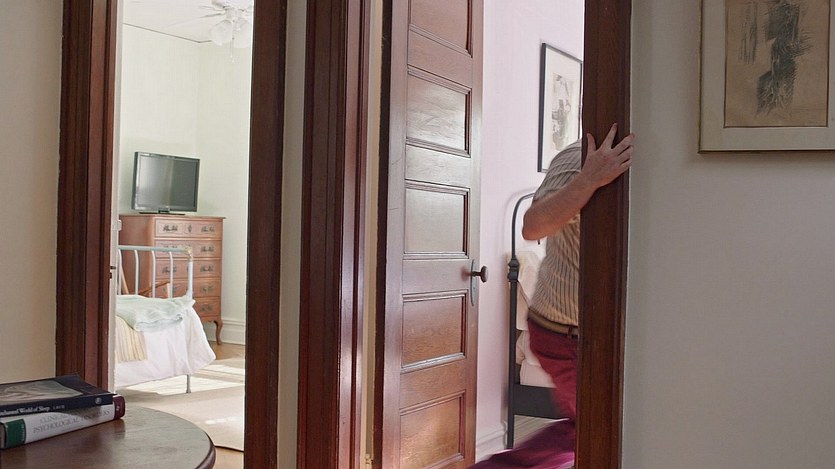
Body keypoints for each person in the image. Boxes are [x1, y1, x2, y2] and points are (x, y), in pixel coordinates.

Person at [471, 123, 634, 469]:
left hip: (595, 335)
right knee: (598, 429)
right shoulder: (577, 158)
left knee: (592, 429)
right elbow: (532, 227)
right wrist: (589, 179)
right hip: (564, 335)